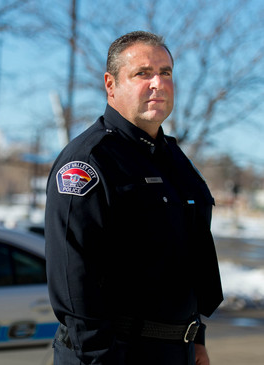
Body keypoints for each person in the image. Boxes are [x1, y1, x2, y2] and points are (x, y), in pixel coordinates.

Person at [45, 31, 223, 365]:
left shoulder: (173, 159)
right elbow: (74, 283)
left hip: (176, 351)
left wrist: (194, 338)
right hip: (116, 354)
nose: (158, 83)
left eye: (166, 72)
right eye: (143, 73)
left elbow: (185, 258)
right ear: (111, 85)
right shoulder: (89, 163)